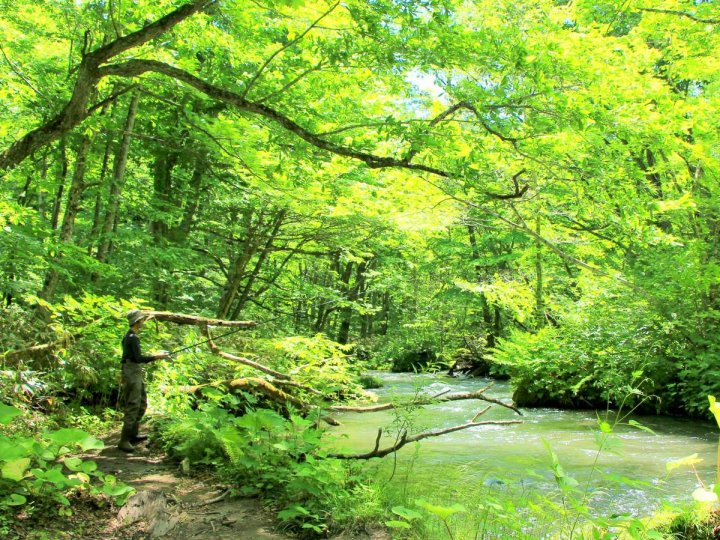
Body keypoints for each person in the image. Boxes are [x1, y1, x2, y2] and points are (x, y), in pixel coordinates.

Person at [118, 309, 170, 453]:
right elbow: (138, 358)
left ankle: (132, 435)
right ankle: (124, 440)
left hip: (133, 371)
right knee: (134, 404)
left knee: (142, 402)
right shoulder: (132, 337)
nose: (143, 321)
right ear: (137, 321)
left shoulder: (130, 336)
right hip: (131, 371)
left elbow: (136, 358)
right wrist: (157, 356)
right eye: (142, 319)